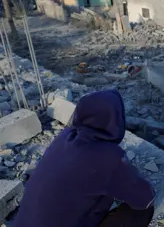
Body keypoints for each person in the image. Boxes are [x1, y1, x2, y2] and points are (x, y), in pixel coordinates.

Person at [13, 90, 155, 227]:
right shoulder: (108, 158)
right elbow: (145, 198)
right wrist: (125, 170)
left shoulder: (64, 137)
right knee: (142, 212)